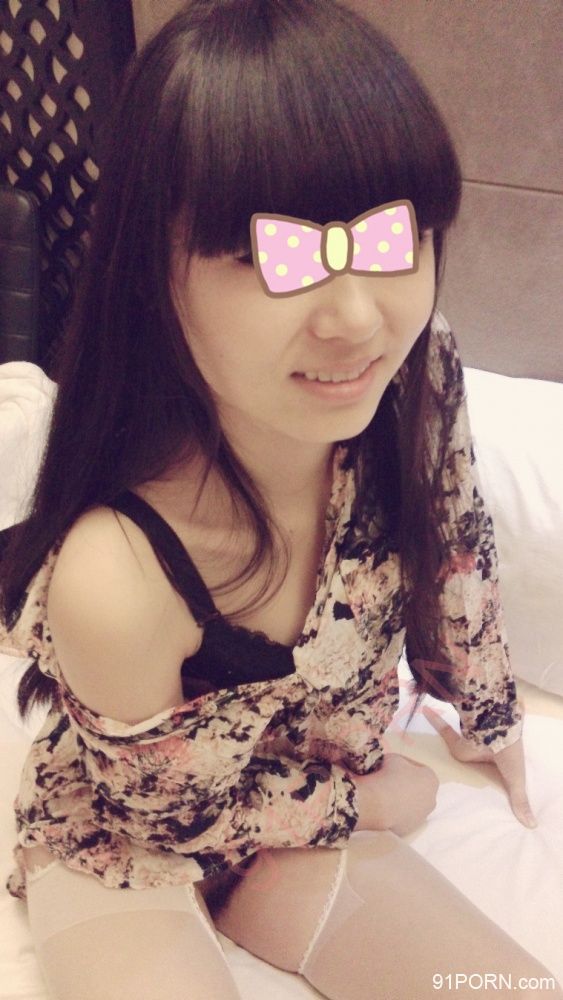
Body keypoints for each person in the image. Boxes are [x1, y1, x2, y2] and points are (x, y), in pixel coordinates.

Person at [0, 1, 560, 998]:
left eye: (387, 241)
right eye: (275, 260)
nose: (355, 319)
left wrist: (489, 718)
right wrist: (375, 802)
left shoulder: (412, 375)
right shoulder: (117, 572)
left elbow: (458, 543)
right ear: (152, 273)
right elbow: (169, 818)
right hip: (130, 835)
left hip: (308, 791)